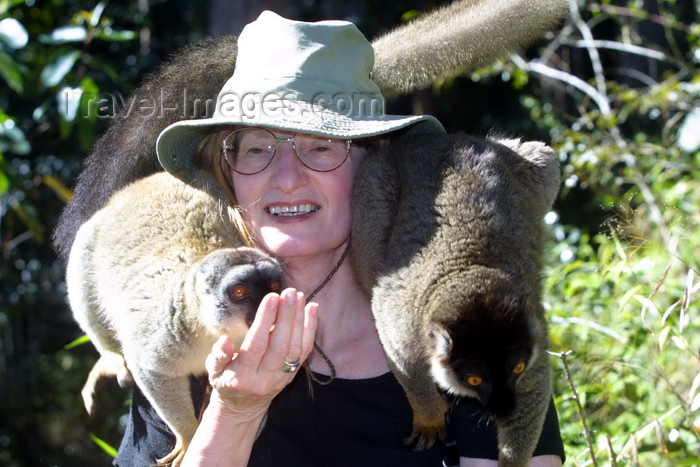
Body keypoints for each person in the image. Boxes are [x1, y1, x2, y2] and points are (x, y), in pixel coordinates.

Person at [114, 11, 565, 466]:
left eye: (320, 147)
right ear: (229, 173)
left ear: (374, 163)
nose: (286, 178)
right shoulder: (196, 334)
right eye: (256, 149)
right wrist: (235, 410)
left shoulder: (469, 325)